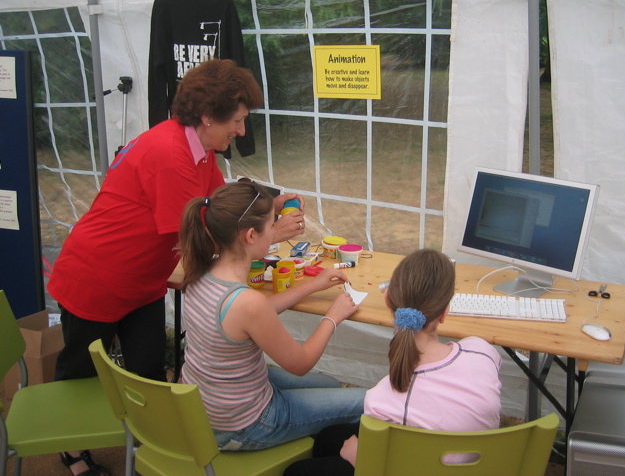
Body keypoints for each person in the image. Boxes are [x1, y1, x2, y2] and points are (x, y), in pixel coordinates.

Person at [47, 59, 306, 476]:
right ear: (208, 117)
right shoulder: (170, 154)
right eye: (237, 121)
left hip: (145, 280)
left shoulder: (201, 149)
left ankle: (150, 448)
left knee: (149, 369)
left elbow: (219, 207)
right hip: (96, 275)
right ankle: (71, 453)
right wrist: (267, 237)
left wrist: (268, 206)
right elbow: (198, 240)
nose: (241, 131)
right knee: (79, 373)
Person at [178, 181, 367, 451]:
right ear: (251, 235)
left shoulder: (201, 270)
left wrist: (312, 285)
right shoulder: (247, 302)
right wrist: (332, 317)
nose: (274, 231)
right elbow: (300, 363)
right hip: (245, 425)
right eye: (271, 225)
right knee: (366, 400)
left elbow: (254, 314)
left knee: (329, 384)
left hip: (209, 406)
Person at [284, 249, 503, 475]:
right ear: (445, 312)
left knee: (296, 471)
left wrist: (356, 456)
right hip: (474, 466)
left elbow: (388, 466)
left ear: (387, 298)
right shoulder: (483, 351)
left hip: (416, 468)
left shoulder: (382, 401)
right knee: (327, 438)